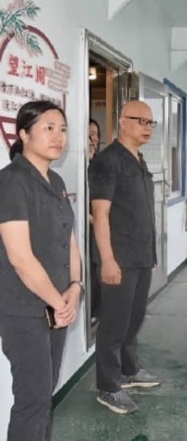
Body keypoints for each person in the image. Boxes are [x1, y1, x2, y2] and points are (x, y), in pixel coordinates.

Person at [0, 100, 82, 441]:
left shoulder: (56, 181)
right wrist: (59, 302)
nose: (58, 136)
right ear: (23, 134)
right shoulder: (10, 183)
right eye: (48, 128)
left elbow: (70, 239)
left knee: (44, 393)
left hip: (56, 307)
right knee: (32, 400)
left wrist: (75, 286)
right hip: (24, 310)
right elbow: (20, 257)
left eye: (62, 129)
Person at [88, 100, 160, 415]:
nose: (147, 127)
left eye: (150, 122)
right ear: (122, 121)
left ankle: (129, 371)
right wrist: (107, 260)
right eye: (140, 120)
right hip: (118, 258)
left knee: (134, 318)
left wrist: (151, 253)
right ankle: (108, 386)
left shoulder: (139, 160)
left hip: (141, 256)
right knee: (114, 324)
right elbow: (100, 214)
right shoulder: (108, 161)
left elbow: (141, 212)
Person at [88, 119, 101, 319]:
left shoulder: (98, 166)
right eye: (89, 135)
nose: (94, 140)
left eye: (96, 135)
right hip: (88, 231)